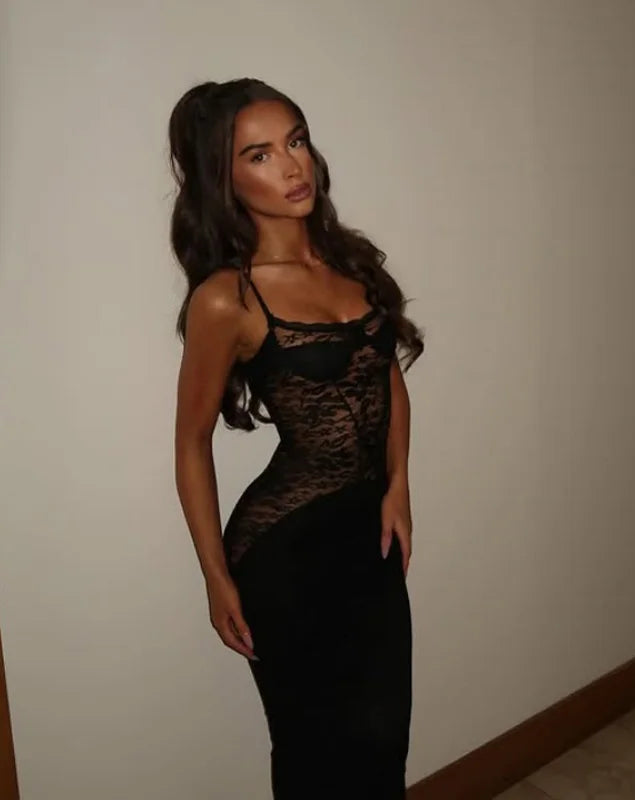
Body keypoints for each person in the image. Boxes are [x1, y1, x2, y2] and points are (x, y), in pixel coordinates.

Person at [169, 78, 424, 798]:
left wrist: (399, 484)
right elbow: (190, 443)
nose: (291, 166)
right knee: (314, 752)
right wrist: (215, 576)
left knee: (383, 741)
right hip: (284, 551)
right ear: (225, 179)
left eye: (297, 141)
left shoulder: (351, 263)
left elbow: (387, 378)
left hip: (367, 536)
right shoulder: (228, 298)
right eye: (259, 155)